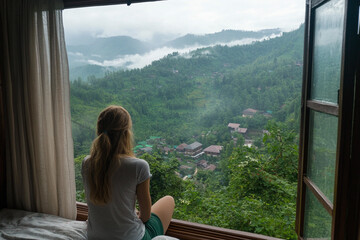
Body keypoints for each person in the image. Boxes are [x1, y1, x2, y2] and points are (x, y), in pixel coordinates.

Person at [82, 105, 175, 240]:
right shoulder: (138, 166)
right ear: (126, 133)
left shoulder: (87, 163)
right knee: (169, 200)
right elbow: (145, 216)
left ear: (99, 131)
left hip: (94, 236)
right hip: (131, 237)